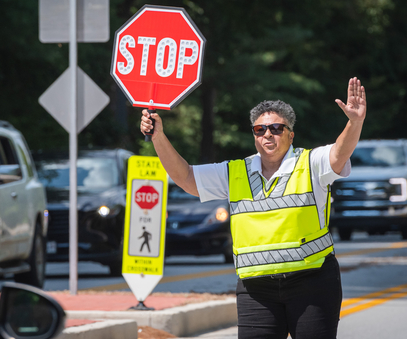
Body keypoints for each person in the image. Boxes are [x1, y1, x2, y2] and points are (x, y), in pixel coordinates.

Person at [140, 77, 366, 339]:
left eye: (276, 128)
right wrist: (158, 137)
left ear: (290, 134)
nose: (268, 134)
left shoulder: (311, 163)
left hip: (312, 284)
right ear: (254, 136)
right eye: (260, 130)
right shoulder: (235, 172)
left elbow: (339, 152)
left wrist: (355, 122)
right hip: (256, 289)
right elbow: (187, 178)